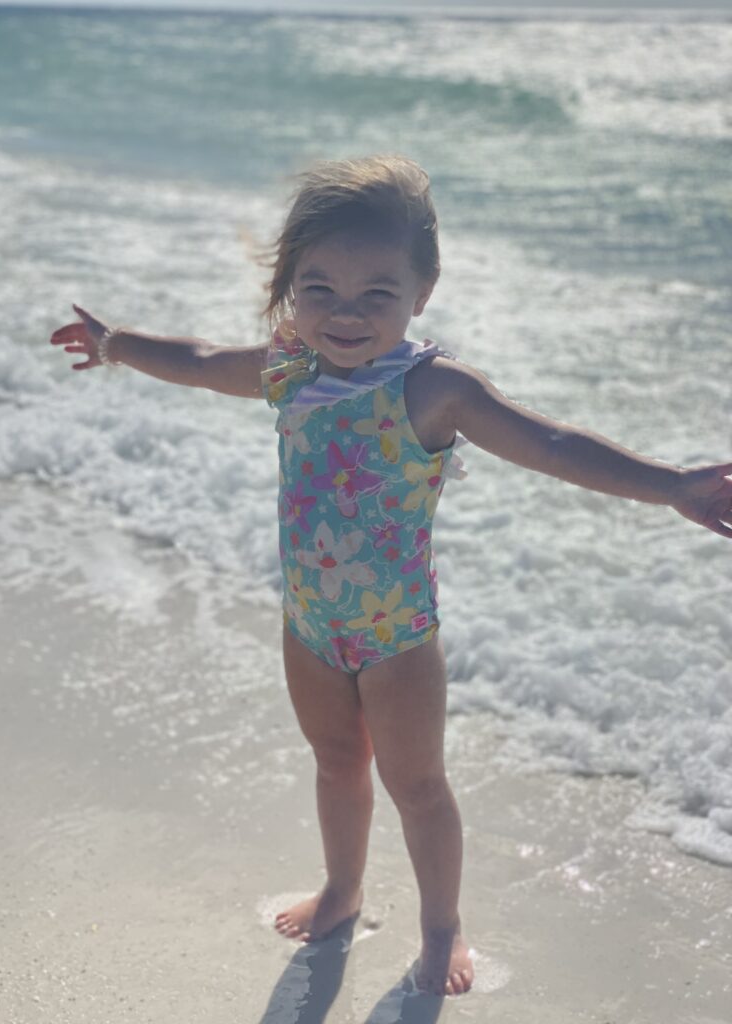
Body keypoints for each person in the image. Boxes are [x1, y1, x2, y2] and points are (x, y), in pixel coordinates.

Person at [50, 154, 732, 998]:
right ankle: (343, 888)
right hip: (309, 623)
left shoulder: (433, 388)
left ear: (423, 290)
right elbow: (195, 357)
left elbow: (550, 443)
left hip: (398, 636)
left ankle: (442, 927)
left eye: (378, 291)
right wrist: (115, 344)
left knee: (417, 785)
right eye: (319, 288)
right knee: (335, 759)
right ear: (290, 288)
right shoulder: (287, 370)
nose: (345, 313)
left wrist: (672, 485)